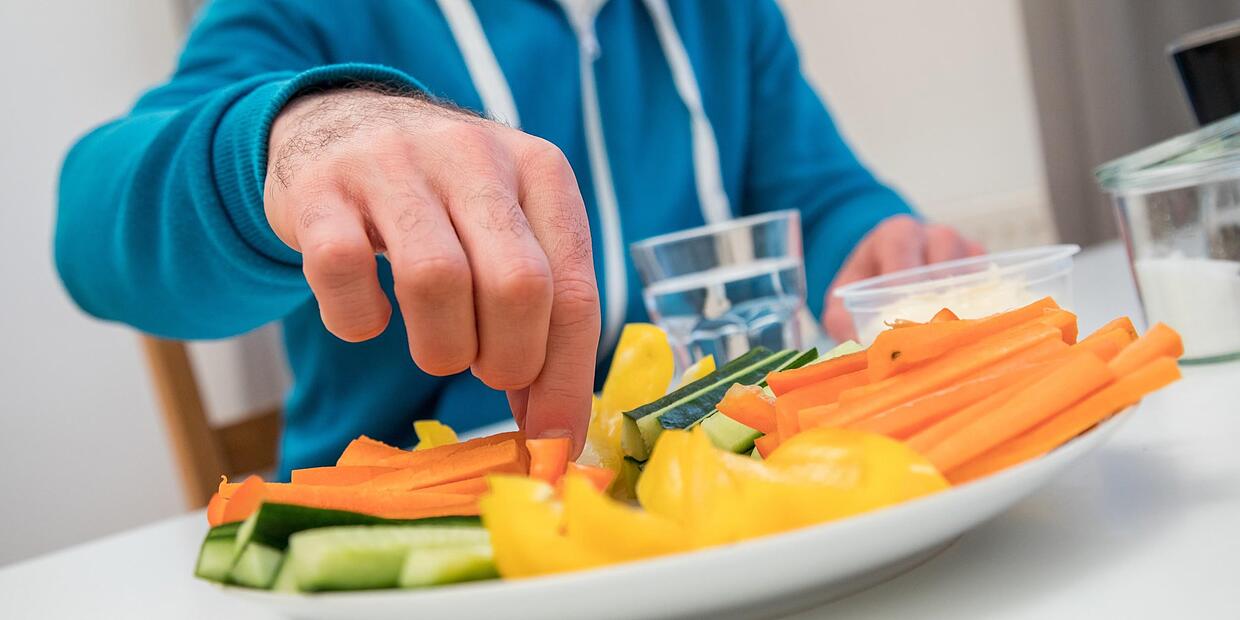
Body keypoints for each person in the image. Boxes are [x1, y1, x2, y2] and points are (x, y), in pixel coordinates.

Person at [55, 0, 980, 475]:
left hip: (722, 493)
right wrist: (302, 135)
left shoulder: (723, 13)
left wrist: (872, 238)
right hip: (436, 522)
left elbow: (813, 192)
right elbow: (94, 233)